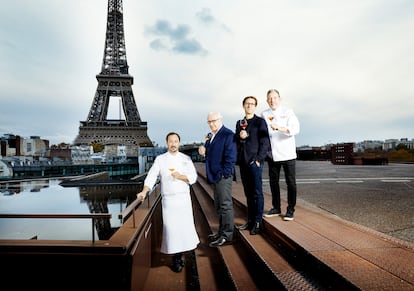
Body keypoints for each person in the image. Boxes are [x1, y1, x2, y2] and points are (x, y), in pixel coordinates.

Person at [136, 132, 199, 272]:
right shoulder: (160, 159)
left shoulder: (186, 159)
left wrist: (181, 176)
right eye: (171, 141)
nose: (173, 144)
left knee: (183, 228)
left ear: (179, 143)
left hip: (183, 199)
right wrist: (144, 191)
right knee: (171, 229)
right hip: (169, 200)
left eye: (176, 141)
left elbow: (193, 177)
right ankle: (175, 258)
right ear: (167, 143)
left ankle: (179, 255)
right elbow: (152, 176)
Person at [198, 112, 237, 247]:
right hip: (214, 175)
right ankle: (221, 232)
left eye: (214, 121)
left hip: (222, 176)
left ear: (220, 120)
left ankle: (227, 235)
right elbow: (209, 156)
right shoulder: (212, 136)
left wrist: (223, 174)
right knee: (219, 205)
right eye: (209, 122)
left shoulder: (228, 134)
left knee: (225, 205)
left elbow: (231, 157)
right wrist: (203, 152)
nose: (211, 124)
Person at [261, 89, 300, 221]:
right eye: (270, 98)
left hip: (288, 153)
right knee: (273, 183)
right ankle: (276, 207)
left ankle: (290, 210)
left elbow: (295, 128)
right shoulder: (264, 114)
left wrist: (280, 128)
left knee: (291, 183)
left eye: (275, 98)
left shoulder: (288, 112)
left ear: (279, 98)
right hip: (273, 154)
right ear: (267, 101)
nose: (272, 100)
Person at [235, 96, 270, 235]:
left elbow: (265, 142)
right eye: (247, 103)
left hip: (254, 162)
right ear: (243, 105)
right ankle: (250, 220)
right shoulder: (239, 123)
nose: (249, 106)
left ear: (255, 106)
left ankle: (257, 221)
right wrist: (240, 136)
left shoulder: (260, 122)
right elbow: (236, 142)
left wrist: (258, 159)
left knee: (257, 192)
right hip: (243, 162)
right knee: (248, 193)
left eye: (252, 104)